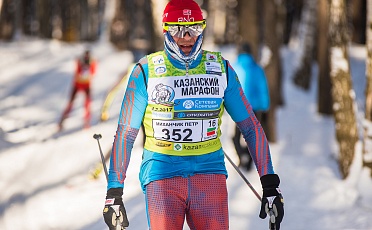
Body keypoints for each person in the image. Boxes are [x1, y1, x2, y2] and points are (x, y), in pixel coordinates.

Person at [102, 0, 284, 229]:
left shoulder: (220, 68)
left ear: (203, 28)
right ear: (166, 29)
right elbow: (126, 134)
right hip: (162, 175)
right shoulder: (145, 71)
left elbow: (251, 127)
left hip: (209, 175)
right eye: (178, 29)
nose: (187, 36)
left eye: (194, 28)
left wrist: (269, 183)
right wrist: (114, 190)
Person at [232, 43, 270, 171]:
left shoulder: (233, 67)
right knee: (250, 136)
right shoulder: (257, 68)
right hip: (252, 108)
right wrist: (264, 107)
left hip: (237, 106)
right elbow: (263, 89)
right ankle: (248, 161)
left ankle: (241, 156)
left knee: (236, 136)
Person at [58, 49, 96, 130]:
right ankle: (62, 120)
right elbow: (78, 72)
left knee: (87, 104)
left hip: (86, 86)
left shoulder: (93, 63)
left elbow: (93, 73)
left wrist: (89, 69)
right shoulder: (79, 62)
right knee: (70, 103)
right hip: (77, 85)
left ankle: (87, 121)